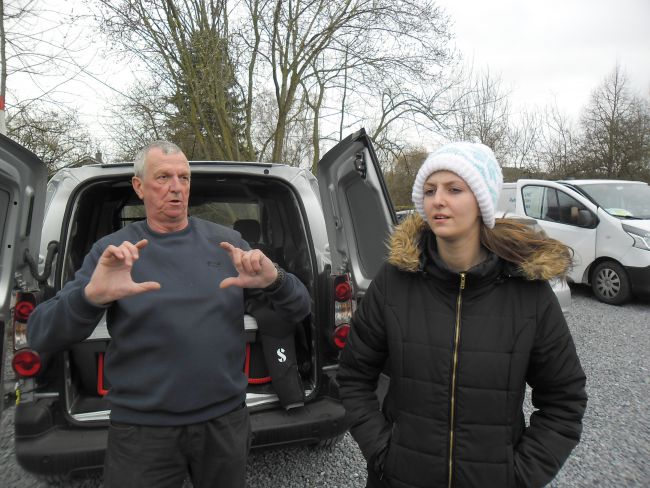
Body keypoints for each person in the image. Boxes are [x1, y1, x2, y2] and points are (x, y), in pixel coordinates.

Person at [27, 140, 311, 488]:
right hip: (142, 433)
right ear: (139, 186)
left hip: (225, 423)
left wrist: (276, 280)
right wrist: (90, 298)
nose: (176, 187)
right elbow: (40, 333)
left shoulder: (228, 244)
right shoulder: (114, 253)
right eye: (163, 177)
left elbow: (300, 307)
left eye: (184, 178)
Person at [336, 142, 587, 488]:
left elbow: (565, 401)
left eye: (454, 189)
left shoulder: (529, 294)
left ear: (482, 201)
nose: (438, 199)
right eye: (429, 190)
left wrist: (518, 477)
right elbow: (352, 377)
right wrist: (383, 453)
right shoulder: (393, 283)